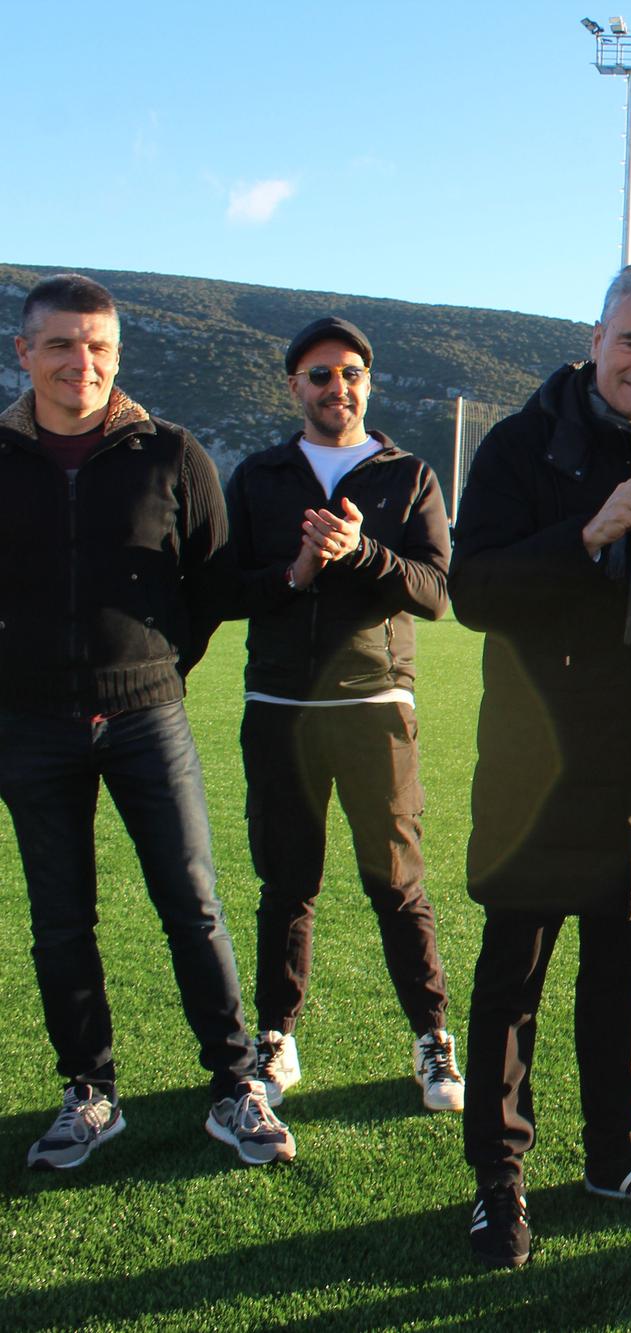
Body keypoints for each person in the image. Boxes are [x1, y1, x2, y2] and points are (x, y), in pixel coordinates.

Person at [449, 263, 631, 1268]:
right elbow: (472, 589)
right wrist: (586, 533)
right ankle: (498, 1176)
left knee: (620, 975)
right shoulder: (523, 442)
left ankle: (615, 1154)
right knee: (512, 978)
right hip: (539, 759)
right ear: (595, 339)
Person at [1, 273, 294, 1169]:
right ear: (24, 352)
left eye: (97, 345)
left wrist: (158, 670)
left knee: (193, 905)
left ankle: (235, 1086)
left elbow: (211, 586)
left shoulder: (171, 452)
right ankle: (88, 1092)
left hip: (146, 718)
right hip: (28, 726)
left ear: (117, 354)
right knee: (61, 920)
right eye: (60, 343)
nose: (80, 362)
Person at [209, 316, 463, 1115]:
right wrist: (297, 570)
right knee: (286, 882)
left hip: (374, 704)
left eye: (351, 372)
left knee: (397, 880)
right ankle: (276, 1035)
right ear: (295, 386)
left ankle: (432, 1037)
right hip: (280, 704)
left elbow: (436, 592)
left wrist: (361, 553)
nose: (336, 387)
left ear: (368, 382)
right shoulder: (259, 475)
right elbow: (224, 589)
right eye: (320, 374)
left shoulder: (408, 474)